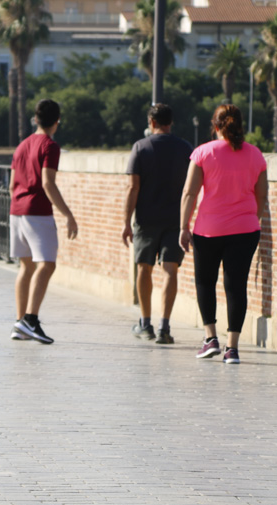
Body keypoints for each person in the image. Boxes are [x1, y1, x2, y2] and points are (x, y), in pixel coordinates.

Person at [178, 103, 267, 365]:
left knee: (205, 282)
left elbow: (189, 193)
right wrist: (252, 219)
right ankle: (233, 348)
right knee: (236, 286)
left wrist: (183, 227)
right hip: (246, 230)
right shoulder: (256, 155)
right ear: (240, 126)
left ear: (215, 126)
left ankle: (210, 339)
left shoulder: (203, 153)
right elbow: (262, 195)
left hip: (208, 230)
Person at [121, 103, 193, 345]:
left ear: (151, 123)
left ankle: (145, 323)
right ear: (170, 123)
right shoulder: (185, 148)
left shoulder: (141, 147)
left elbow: (133, 187)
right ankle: (164, 326)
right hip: (175, 219)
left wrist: (126, 222)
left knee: (144, 268)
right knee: (170, 269)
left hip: (146, 219)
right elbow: (191, 188)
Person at [8, 99, 78, 344]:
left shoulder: (22, 146)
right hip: (37, 211)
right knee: (47, 265)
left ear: (35, 119)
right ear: (57, 122)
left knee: (26, 267)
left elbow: (10, 185)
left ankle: (20, 323)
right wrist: (68, 215)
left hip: (16, 210)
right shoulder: (50, 146)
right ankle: (30, 319)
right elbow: (48, 182)